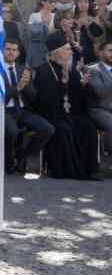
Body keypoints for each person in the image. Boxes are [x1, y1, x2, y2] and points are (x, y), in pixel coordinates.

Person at [34, 31, 100, 180]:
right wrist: (63, 84)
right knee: (64, 130)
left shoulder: (71, 70)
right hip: (51, 115)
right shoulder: (44, 70)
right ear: (57, 53)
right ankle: (67, 170)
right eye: (67, 49)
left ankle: (88, 169)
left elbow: (76, 98)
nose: (71, 52)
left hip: (67, 113)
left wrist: (82, 85)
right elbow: (45, 101)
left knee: (87, 126)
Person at [1, 40, 53, 174]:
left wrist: (27, 84)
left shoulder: (22, 69)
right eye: (7, 49)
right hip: (4, 110)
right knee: (12, 131)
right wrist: (18, 87)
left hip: (22, 110)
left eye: (14, 50)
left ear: (18, 53)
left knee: (47, 129)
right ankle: (8, 162)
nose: (10, 52)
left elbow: (33, 97)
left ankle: (22, 156)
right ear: (2, 51)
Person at [27, 0, 57, 68]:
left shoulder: (56, 16)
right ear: (43, 2)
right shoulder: (34, 16)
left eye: (54, 2)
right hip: (36, 49)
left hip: (51, 49)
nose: (53, 4)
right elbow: (29, 33)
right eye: (50, 1)